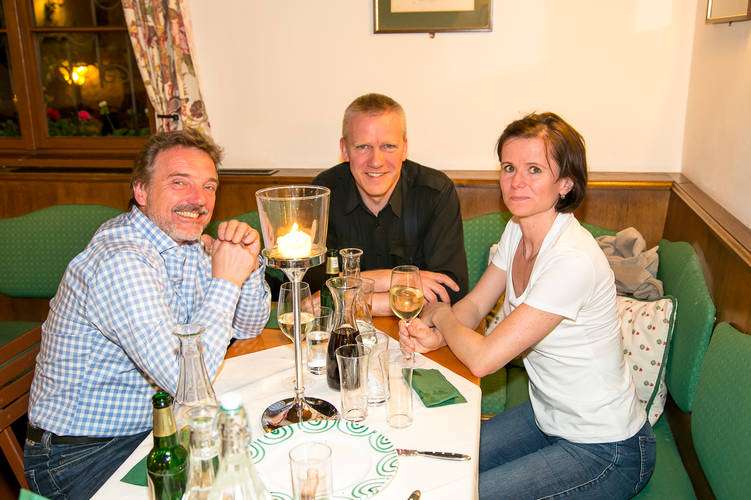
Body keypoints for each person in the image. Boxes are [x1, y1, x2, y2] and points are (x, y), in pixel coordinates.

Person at [400, 112, 656, 499]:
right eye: (509, 167)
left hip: (608, 449)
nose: (516, 182)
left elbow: (484, 360)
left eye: (534, 169)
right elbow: (476, 305)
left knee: (465, 494)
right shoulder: (517, 229)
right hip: (546, 416)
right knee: (440, 461)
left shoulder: (572, 260)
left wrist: (439, 315)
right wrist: (438, 335)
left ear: (566, 183)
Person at [23, 129, 271, 499]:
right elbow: (186, 381)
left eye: (209, 186)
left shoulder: (185, 242)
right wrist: (227, 280)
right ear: (141, 191)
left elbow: (248, 326)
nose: (198, 199)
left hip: (154, 427)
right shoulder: (121, 259)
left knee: (257, 460)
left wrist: (247, 266)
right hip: (81, 455)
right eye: (179, 182)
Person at [312, 93, 468, 315]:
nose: (376, 161)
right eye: (363, 147)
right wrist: (392, 279)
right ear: (345, 150)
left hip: (417, 330)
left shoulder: (436, 193)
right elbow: (313, 292)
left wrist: (352, 295)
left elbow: (448, 291)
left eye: (388, 146)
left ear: (404, 148)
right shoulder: (323, 195)